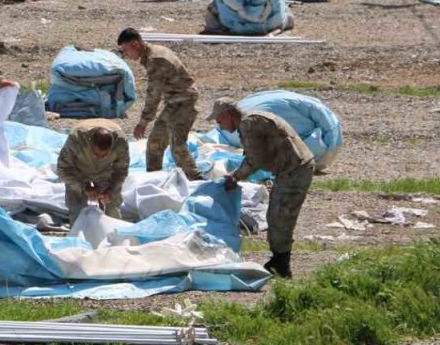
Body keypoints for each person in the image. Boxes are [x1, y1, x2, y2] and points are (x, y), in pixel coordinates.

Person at [210, 97, 314, 279]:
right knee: (276, 215)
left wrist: (234, 178)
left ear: (228, 114)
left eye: (220, 121)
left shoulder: (249, 124)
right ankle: (279, 260)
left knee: (280, 216)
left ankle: (281, 264)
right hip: (290, 168)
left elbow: (254, 159)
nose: (220, 126)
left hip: (294, 170)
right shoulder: (252, 119)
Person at [117, 28, 200, 178]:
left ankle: (197, 180)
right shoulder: (152, 53)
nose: (126, 55)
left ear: (135, 44)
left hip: (184, 102)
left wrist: (143, 122)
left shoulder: (156, 59)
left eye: (125, 50)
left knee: (177, 146)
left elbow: (154, 94)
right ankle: (154, 180)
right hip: (173, 102)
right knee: (155, 142)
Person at [57, 120, 130, 220]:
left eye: (104, 155)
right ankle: (78, 233)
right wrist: (83, 187)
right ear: (90, 142)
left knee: (112, 208)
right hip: (79, 171)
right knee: (76, 207)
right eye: (96, 154)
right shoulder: (77, 138)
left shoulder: (120, 142)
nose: (99, 157)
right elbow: (63, 169)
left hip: (105, 171)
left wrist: (111, 190)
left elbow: (121, 170)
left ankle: (113, 232)